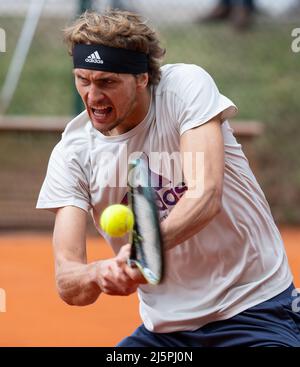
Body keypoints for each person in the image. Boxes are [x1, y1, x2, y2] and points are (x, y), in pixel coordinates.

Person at [36, 10, 300, 347]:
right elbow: (68, 280)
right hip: (165, 334)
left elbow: (205, 195)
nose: (92, 96)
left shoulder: (184, 88)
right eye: (82, 79)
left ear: (143, 78)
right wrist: (98, 273)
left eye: (107, 82)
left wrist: (143, 249)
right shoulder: (72, 154)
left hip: (254, 309)